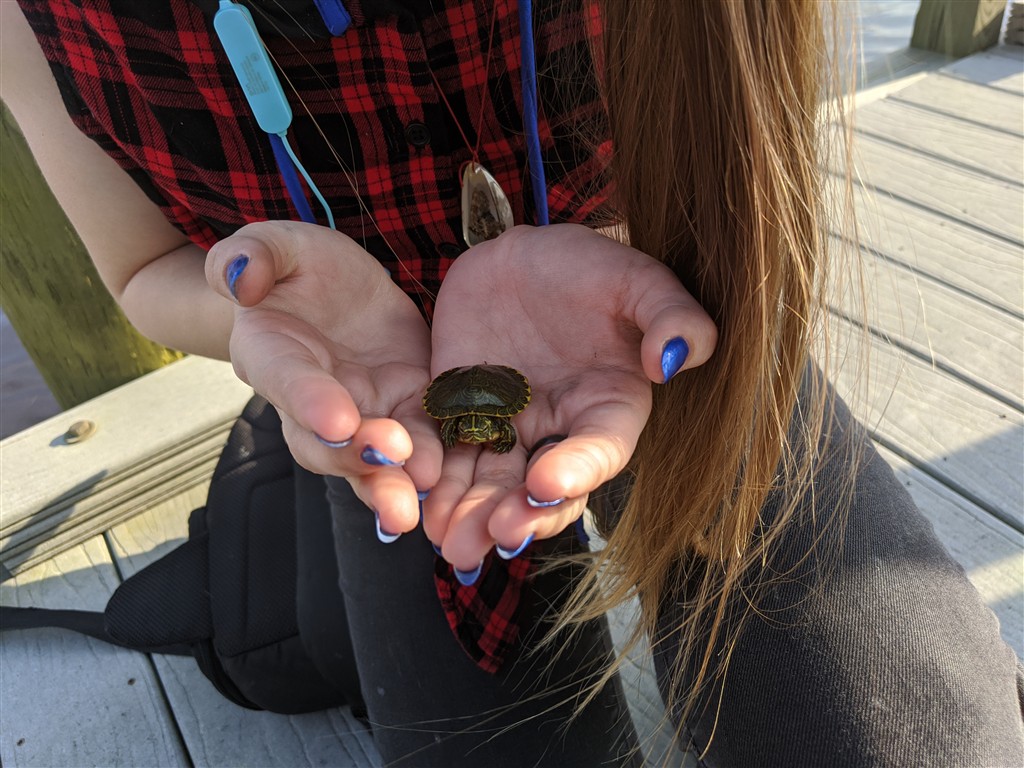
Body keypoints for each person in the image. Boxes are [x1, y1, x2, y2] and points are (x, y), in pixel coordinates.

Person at [3, 1, 1021, 766]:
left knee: (913, 731)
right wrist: (263, 312)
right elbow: (142, 269)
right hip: (377, 388)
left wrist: (631, 246)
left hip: (646, 305)